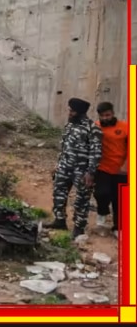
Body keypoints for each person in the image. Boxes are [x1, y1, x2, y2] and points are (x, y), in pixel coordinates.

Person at [45, 98, 103, 238]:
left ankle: (79, 227)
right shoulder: (69, 126)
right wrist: (58, 165)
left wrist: (91, 172)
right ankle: (59, 220)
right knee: (59, 194)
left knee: (81, 199)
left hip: (82, 171)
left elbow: (96, 152)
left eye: (72, 111)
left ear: (80, 112)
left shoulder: (92, 128)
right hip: (64, 167)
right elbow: (64, 147)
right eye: (70, 110)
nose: (69, 113)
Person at [93, 102, 127, 238]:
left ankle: (118, 228)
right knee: (101, 193)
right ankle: (102, 214)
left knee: (119, 200)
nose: (105, 118)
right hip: (103, 168)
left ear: (113, 113)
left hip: (122, 170)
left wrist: (125, 166)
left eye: (108, 115)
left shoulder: (125, 127)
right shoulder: (96, 127)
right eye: (102, 116)